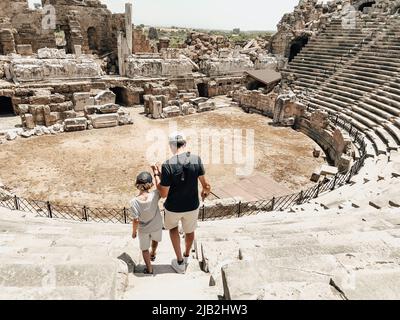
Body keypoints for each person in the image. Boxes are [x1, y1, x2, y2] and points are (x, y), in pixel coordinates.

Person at [153, 132, 211, 274]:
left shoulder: (167, 165)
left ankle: (179, 261)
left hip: (173, 207)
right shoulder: (196, 159)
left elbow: (164, 193)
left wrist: (156, 174)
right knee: (190, 231)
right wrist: (204, 193)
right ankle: (186, 256)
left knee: (173, 229)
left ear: (172, 146)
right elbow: (206, 185)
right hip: (192, 205)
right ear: (184, 144)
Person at [130, 171, 163, 275]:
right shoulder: (155, 194)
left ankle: (149, 269)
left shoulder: (133, 202)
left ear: (137, 185)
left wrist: (134, 232)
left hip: (143, 229)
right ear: (150, 184)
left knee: (144, 249)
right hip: (156, 225)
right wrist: (158, 174)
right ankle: (153, 253)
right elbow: (161, 186)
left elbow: (136, 220)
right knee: (155, 239)